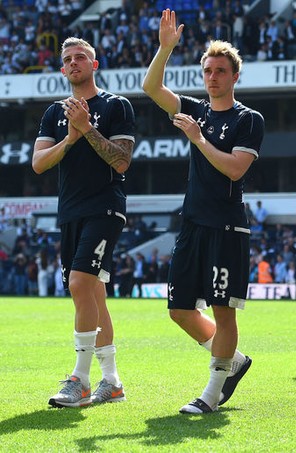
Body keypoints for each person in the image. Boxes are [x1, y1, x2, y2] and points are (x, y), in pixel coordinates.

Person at [142, 9, 263, 413]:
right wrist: (164, 49)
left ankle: (212, 393)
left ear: (235, 76)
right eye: (208, 70)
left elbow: (235, 167)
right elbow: (151, 86)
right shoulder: (196, 108)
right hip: (192, 223)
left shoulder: (249, 119)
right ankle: (234, 361)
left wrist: (198, 139)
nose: (212, 77)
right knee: (179, 310)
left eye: (221, 71)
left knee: (222, 310)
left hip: (227, 226)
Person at [33, 37, 134, 408]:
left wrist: (86, 128)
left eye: (81, 57)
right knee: (93, 293)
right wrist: (72, 137)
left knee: (79, 284)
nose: (74, 62)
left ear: (95, 64)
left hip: (105, 207)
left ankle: (81, 378)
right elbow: (39, 163)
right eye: (68, 59)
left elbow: (122, 161)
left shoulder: (115, 106)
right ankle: (113, 382)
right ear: (62, 69)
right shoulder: (52, 113)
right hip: (70, 211)